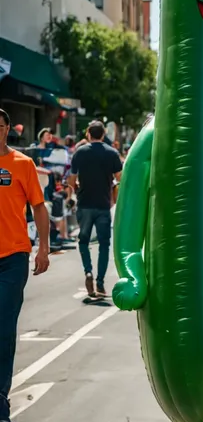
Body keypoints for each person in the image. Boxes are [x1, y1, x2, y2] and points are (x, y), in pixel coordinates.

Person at [0, 109, 50, 422]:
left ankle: (0, 399)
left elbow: (38, 206)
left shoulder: (22, 164)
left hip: (12, 258)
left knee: (3, 329)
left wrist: (44, 247)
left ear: (6, 129)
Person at [68, 121, 122, 297]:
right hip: (103, 205)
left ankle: (88, 271)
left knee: (83, 242)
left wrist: (76, 187)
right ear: (103, 134)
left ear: (88, 134)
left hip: (84, 204)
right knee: (104, 245)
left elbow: (71, 180)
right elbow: (120, 177)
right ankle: (100, 283)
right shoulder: (112, 153)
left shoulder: (79, 152)